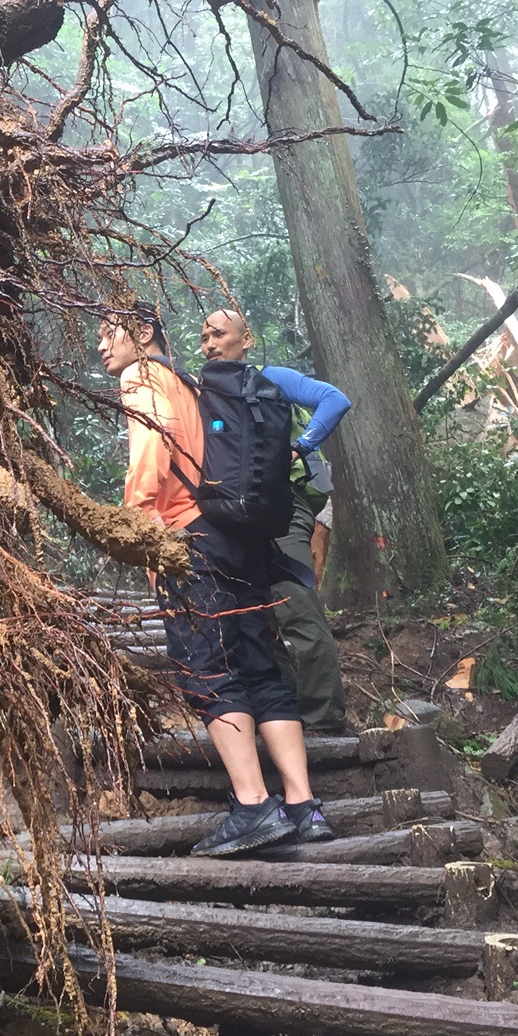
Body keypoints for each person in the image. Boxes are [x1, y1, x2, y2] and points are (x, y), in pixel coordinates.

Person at [97, 303, 334, 855]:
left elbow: (152, 456)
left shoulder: (145, 375)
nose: (103, 348)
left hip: (187, 537)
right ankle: (302, 805)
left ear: (145, 333)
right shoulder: (194, 382)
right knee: (259, 669)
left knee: (208, 668)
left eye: (109, 334)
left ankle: (252, 805)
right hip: (238, 537)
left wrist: (133, 526)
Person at [200, 307, 351, 737]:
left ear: (245, 340)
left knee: (297, 611)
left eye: (219, 334)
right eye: (204, 337)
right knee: (257, 618)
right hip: (236, 519)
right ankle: (287, 712)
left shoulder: (271, 378)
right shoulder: (207, 391)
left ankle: (325, 722)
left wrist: (300, 447)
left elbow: (335, 399)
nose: (210, 344)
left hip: (284, 510)